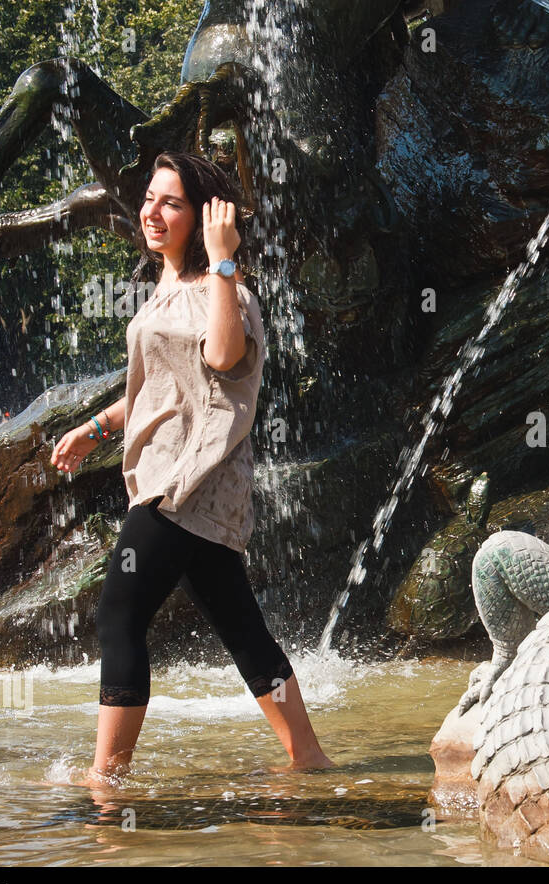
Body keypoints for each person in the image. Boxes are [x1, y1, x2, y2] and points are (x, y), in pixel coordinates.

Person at [50, 150, 333, 780]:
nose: (152, 211)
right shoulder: (165, 292)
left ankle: (107, 780)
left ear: (205, 216)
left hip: (187, 483)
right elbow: (159, 392)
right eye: (150, 198)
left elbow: (225, 357)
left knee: (118, 612)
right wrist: (95, 428)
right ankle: (309, 759)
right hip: (181, 480)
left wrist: (225, 260)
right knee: (242, 628)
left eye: (171, 201)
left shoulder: (224, 290)